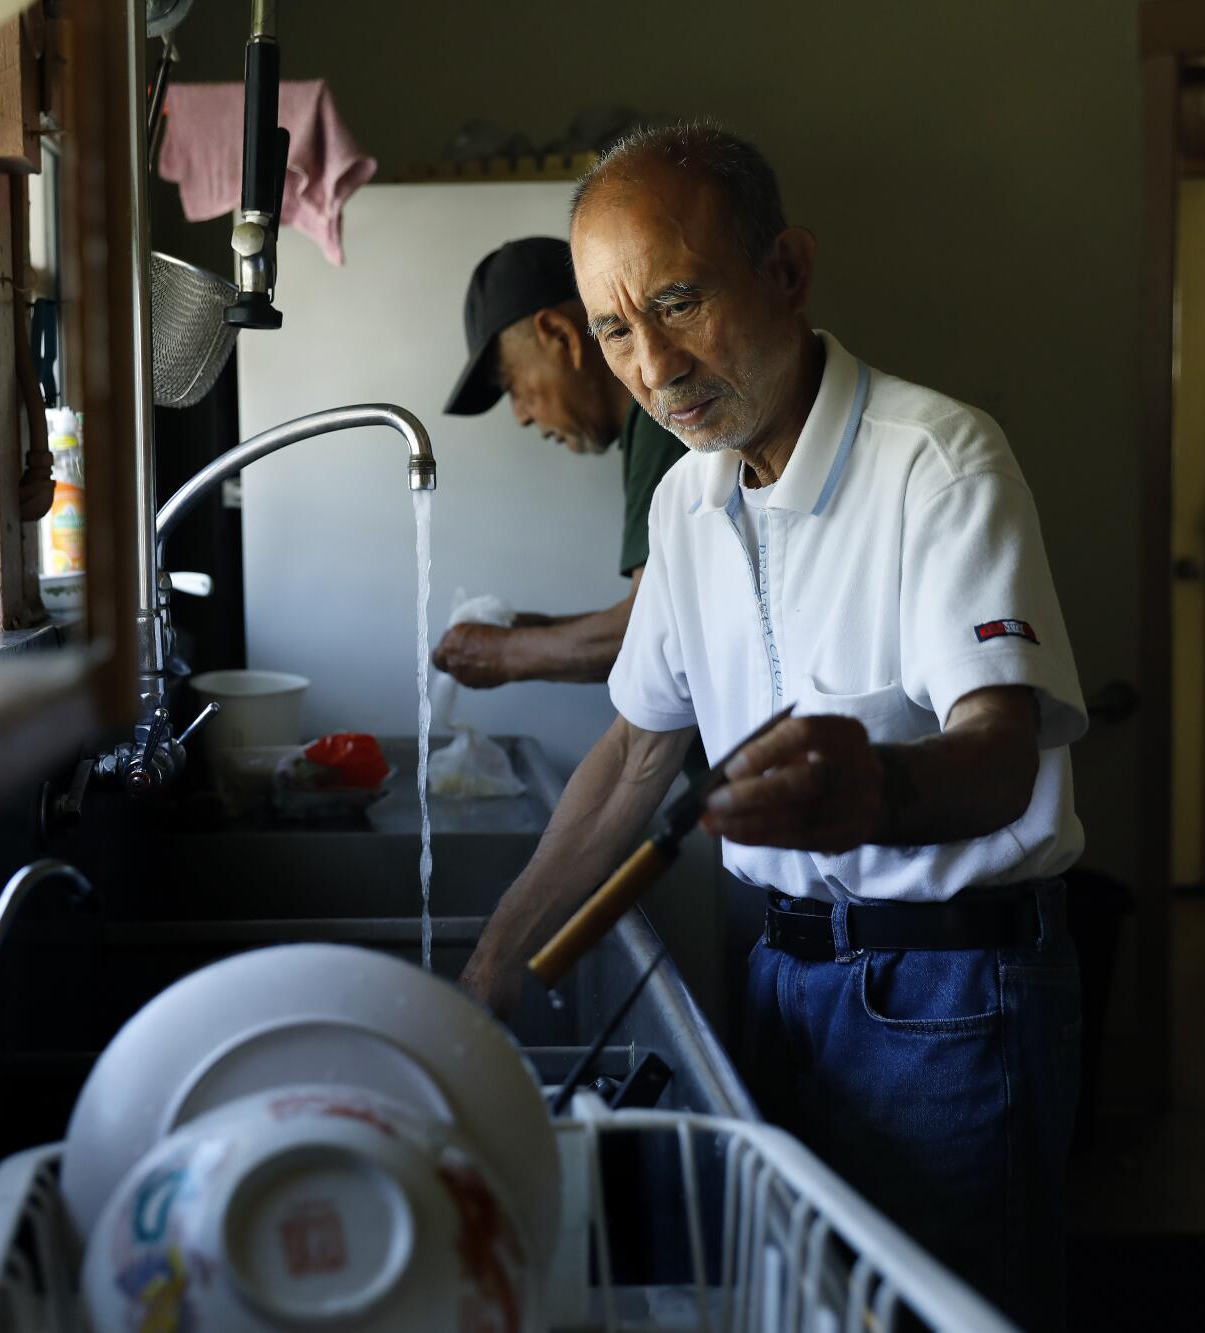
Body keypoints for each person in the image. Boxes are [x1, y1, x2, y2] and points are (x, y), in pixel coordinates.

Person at [458, 124, 1088, 1330]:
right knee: (799, 1306)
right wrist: (485, 976)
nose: (652, 365)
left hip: (946, 990)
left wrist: (879, 793)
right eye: (614, 330)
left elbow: (1000, 754)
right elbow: (639, 751)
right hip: (780, 973)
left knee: (938, 1313)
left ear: (787, 272)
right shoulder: (689, 497)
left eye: (679, 302)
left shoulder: (937, 461)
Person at [435, 237, 687, 688]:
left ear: (560, 336)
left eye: (512, 385)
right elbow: (668, 612)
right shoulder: (645, 429)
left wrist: (508, 654)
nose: (522, 416)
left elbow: (664, 633)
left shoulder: (662, 420)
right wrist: (540, 630)